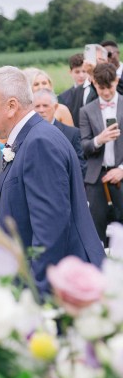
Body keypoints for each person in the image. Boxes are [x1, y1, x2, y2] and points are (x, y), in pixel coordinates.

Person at [0, 66, 104, 296]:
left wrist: (36, 295)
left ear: (11, 106)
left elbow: (50, 229)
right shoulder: (33, 137)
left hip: (58, 286)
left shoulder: (39, 143)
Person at [79, 63, 123, 245]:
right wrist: (99, 139)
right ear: (94, 83)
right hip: (96, 178)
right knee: (96, 229)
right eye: (101, 88)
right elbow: (83, 146)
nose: (106, 93)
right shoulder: (86, 111)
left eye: (110, 87)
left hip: (121, 173)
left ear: (117, 81)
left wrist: (121, 169)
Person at [33, 89, 86, 178]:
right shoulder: (26, 133)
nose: (41, 110)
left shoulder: (72, 134)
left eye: (45, 106)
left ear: (56, 107)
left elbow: (79, 166)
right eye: (37, 106)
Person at [59, 50, 106, 127]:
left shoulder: (97, 90)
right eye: (77, 72)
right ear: (70, 72)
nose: (81, 75)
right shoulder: (63, 97)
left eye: (84, 71)